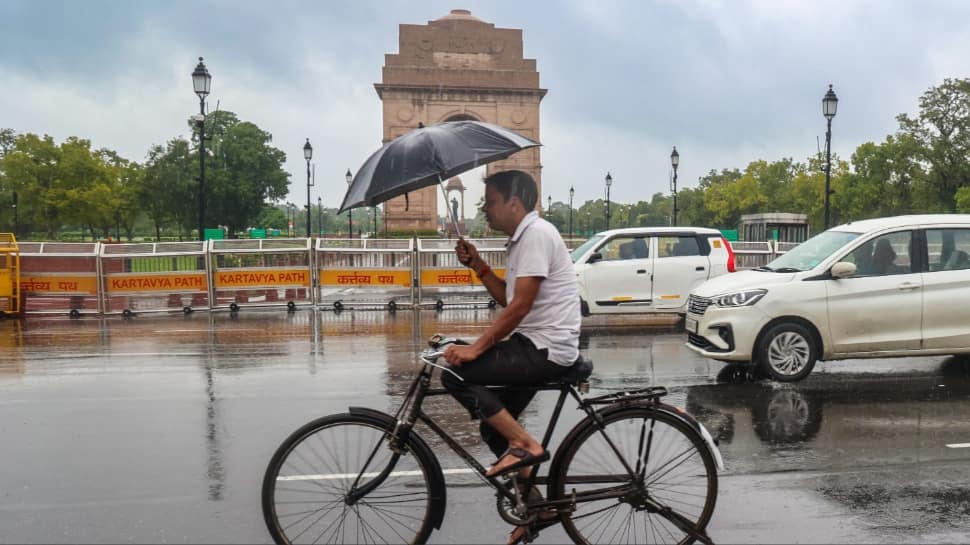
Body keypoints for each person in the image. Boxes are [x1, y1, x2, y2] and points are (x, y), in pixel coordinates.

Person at [440, 169, 580, 544]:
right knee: (492, 424)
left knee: (454, 375)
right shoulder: (522, 239)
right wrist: (479, 266)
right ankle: (537, 509)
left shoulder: (535, 234)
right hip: (535, 343)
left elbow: (519, 308)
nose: (486, 209)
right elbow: (507, 297)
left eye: (491, 202)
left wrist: (476, 348)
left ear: (514, 203)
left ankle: (528, 446)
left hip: (546, 348)